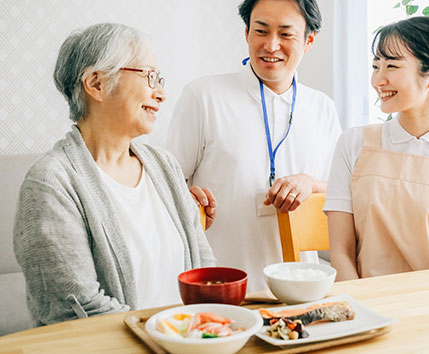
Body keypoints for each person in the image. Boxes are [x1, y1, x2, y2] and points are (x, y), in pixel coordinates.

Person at [13, 23, 215, 326]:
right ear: (96, 83)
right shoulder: (50, 183)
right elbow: (76, 309)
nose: (160, 93)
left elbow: (204, 271)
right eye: (149, 76)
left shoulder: (165, 166)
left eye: (159, 79)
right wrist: (170, 335)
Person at [165, 0, 341, 291]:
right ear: (247, 33)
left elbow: (339, 189)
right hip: (217, 282)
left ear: (309, 40)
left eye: (286, 34)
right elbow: (166, 187)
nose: (271, 46)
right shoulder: (203, 96)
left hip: (299, 286)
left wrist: (309, 183)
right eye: (261, 31)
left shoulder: (322, 107)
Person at [324, 16, 429, 281]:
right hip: (365, 309)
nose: (378, 80)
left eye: (391, 66)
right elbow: (342, 254)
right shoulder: (353, 143)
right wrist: (363, 314)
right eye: (375, 66)